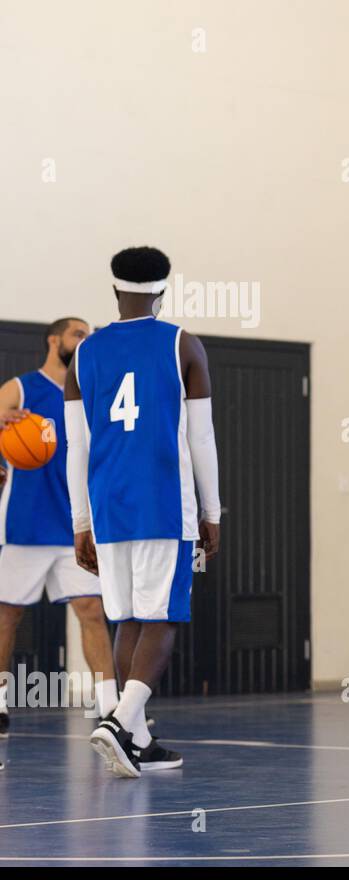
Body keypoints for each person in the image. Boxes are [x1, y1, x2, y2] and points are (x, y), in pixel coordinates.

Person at [68, 246, 221, 778]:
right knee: (165, 618)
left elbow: (77, 449)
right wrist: (212, 510)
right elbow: (201, 437)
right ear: (162, 291)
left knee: (130, 615)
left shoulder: (84, 353)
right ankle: (119, 719)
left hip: (109, 506)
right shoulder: (183, 345)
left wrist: (80, 522)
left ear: (114, 291)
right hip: (163, 501)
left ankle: (137, 739)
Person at [0, 318, 116, 736]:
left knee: (91, 612)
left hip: (73, 526)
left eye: (88, 336)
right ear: (54, 340)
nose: (83, 341)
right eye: (77, 334)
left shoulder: (88, 395)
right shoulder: (21, 387)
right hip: (24, 524)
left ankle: (110, 709)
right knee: (7, 615)